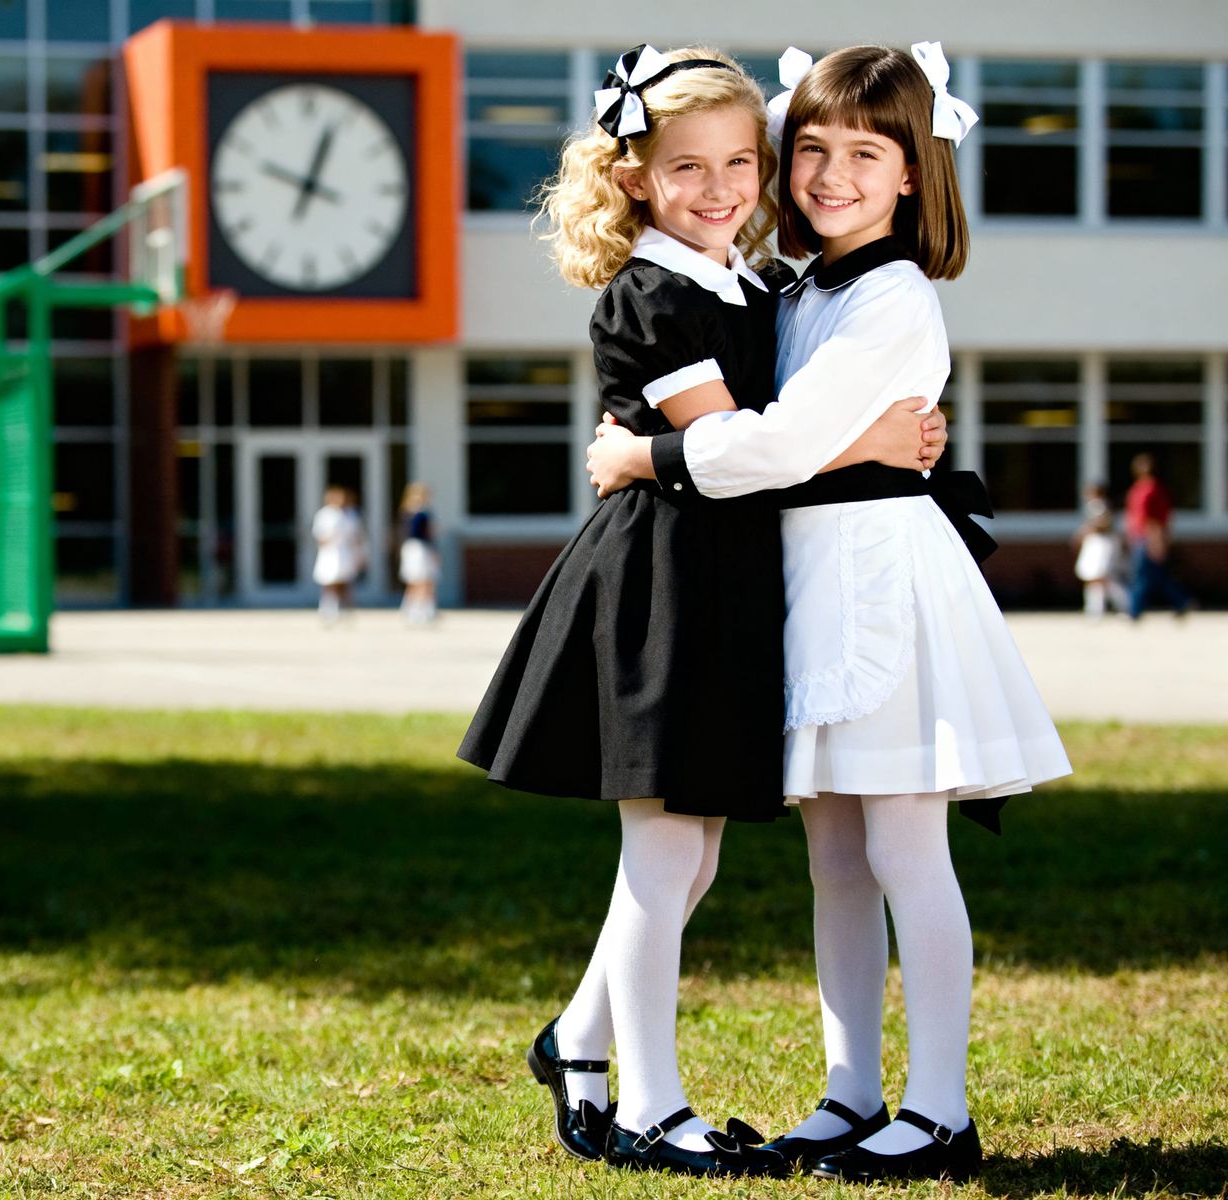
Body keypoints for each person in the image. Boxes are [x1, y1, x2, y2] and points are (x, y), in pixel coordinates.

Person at [457, 43, 945, 1179]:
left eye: (742, 161)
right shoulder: (655, 293)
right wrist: (867, 442)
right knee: (664, 855)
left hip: (726, 581)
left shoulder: (754, 283)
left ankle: (578, 1043)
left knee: (693, 859)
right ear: (635, 174)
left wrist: (847, 436)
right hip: (663, 582)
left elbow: (769, 439)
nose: (721, 186)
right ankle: (646, 1103)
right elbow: (739, 450)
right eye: (688, 166)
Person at [587, 43, 1071, 1183]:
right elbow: (787, 435)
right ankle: (852, 1091)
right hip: (811, 587)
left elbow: (777, 444)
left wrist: (641, 453)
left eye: (865, 152)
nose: (831, 173)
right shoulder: (795, 290)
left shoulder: (896, 295)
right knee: (837, 858)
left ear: (913, 175)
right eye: (809, 147)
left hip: (883, 591)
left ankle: (939, 1107)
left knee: (906, 847)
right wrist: (855, 444)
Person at [1124, 453, 1192, 619]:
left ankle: (1134, 611)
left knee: (1141, 574)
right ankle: (1181, 601)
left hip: (1147, 537)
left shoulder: (1150, 490)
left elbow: (1152, 518)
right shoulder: (1141, 488)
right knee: (1157, 575)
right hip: (1141, 536)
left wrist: (1156, 540)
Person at [1072, 481, 1125, 618]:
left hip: (1102, 544)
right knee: (1093, 577)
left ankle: (1125, 604)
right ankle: (1094, 608)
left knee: (1101, 577)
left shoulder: (1101, 506)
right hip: (1095, 544)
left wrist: (1089, 530)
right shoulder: (1093, 506)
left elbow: (1105, 523)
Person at [311, 485, 364, 624]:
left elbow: (356, 537)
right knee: (330, 583)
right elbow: (319, 536)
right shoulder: (324, 514)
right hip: (330, 553)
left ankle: (346, 611)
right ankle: (328, 610)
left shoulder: (350, 514)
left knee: (345, 583)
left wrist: (359, 554)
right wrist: (332, 539)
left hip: (346, 553)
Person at [396, 482, 439, 624]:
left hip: (415, 548)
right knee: (420, 579)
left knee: (420, 580)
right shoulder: (417, 514)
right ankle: (417, 610)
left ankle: (418, 609)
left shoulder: (410, 512)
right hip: (418, 548)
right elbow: (426, 534)